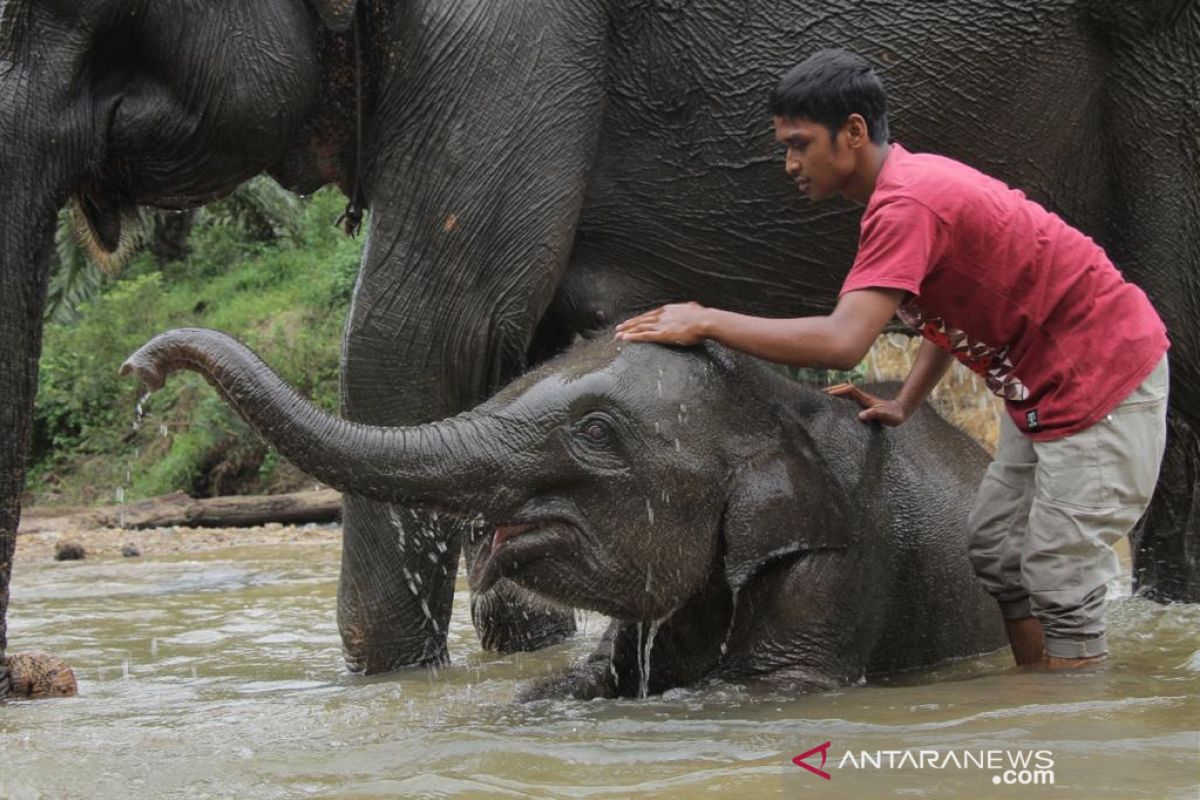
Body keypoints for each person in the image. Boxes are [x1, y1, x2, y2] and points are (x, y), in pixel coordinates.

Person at [615, 48, 1169, 670]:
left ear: (853, 132)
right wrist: (908, 399)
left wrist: (708, 320)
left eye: (799, 144)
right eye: (784, 147)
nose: (790, 164)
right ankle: (1039, 687)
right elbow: (955, 305)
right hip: (1037, 386)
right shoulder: (903, 197)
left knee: (1057, 569)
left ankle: (1075, 733)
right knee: (995, 550)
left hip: (1102, 377)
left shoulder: (908, 203)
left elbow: (843, 341)